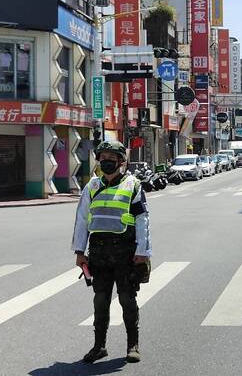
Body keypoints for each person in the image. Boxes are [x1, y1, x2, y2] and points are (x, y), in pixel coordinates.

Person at [71, 140, 151, 364]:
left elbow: (142, 219)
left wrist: (143, 251)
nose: (106, 161)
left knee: (127, 299)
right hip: (98, 255)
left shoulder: (133, 185)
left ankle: (132, 344)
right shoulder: (92, 187)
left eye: (111, 158)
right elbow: (81, 220)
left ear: (121, 161)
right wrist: (80, 251)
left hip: (126, 253)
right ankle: (99, 346)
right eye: (102, 157)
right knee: (100, 301)